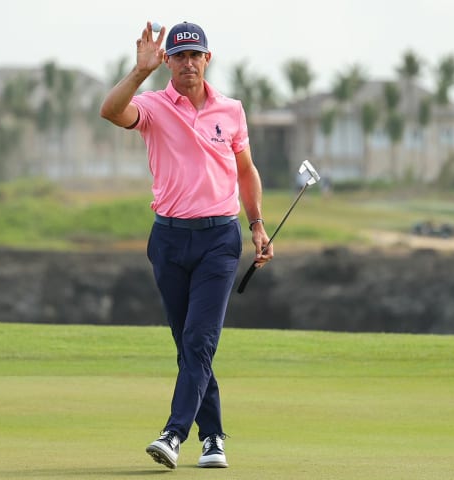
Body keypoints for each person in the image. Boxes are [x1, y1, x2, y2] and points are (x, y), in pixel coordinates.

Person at [99, 21, 273, 469]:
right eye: (179, 55)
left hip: (219, 238)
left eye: (196, 54)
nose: (188, 62)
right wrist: (139, 72)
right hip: (169, 239)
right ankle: (213, 437)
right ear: (168, 62)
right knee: (188, 344)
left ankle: (174, 435)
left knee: (199, 339)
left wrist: (256, 225)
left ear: (207, 59)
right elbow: (110, 111)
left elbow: (246, 171)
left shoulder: (231, 110)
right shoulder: (153, 107)